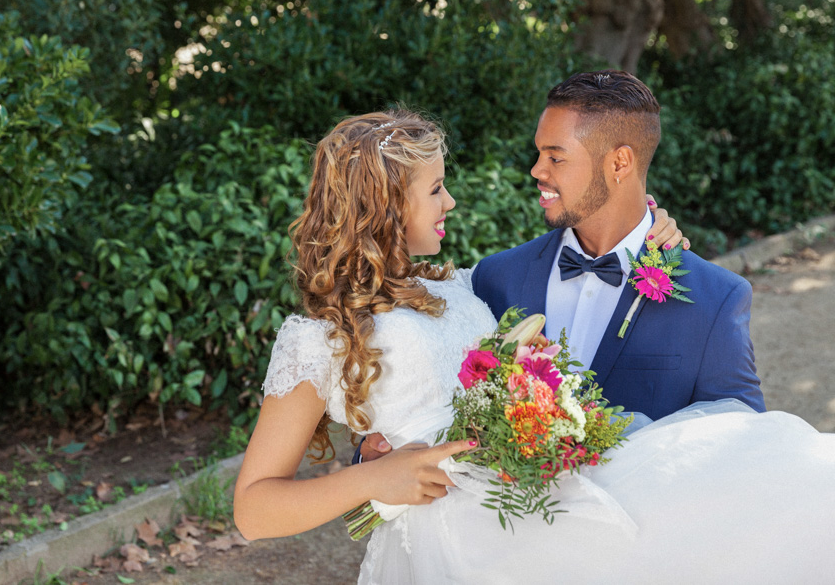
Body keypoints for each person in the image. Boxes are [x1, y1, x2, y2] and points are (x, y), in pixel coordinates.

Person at [235, 106, 835, 583]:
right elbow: (253, 509)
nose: (451, 202)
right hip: (452, 546)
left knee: (765, 480)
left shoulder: (457, 288)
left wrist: (649, 222)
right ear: (387, 206)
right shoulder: (318, 340)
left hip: (535, 512)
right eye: (436, 189)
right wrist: (374, 479)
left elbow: (609, 236)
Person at [358, 69, 765, 462]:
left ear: (620, 164)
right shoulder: (494, 280)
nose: (537, 170)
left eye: (556, 157)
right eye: (539, 153)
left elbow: (743, 447)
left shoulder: (716, 299)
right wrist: (373, 462)